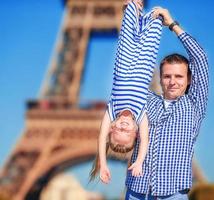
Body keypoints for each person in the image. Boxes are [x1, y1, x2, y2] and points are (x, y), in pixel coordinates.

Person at [125, 7, 209, 200]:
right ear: (160, 79)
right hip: (137, 192)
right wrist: (132, 22)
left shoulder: (194, 104)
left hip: (173, 194)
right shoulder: (146, 100)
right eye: (167, 76)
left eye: (179, 76)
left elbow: (201, 59)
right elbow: (130, 68)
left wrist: (171, 24)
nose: (172, 81)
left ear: (189, 80)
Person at [89, 0, 163, 183]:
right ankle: (144, 17)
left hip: (124, 65)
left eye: (117, 130)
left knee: (127, 38)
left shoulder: (112, 110)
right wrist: (138, 162)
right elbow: (145, 142)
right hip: (143, 67)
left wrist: (103, 164)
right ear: (135, 132)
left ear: (111, 127)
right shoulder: (140, 116)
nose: (122, 126)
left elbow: (100, 138)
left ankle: (130, 10)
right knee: (154, 26)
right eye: (126, 131)